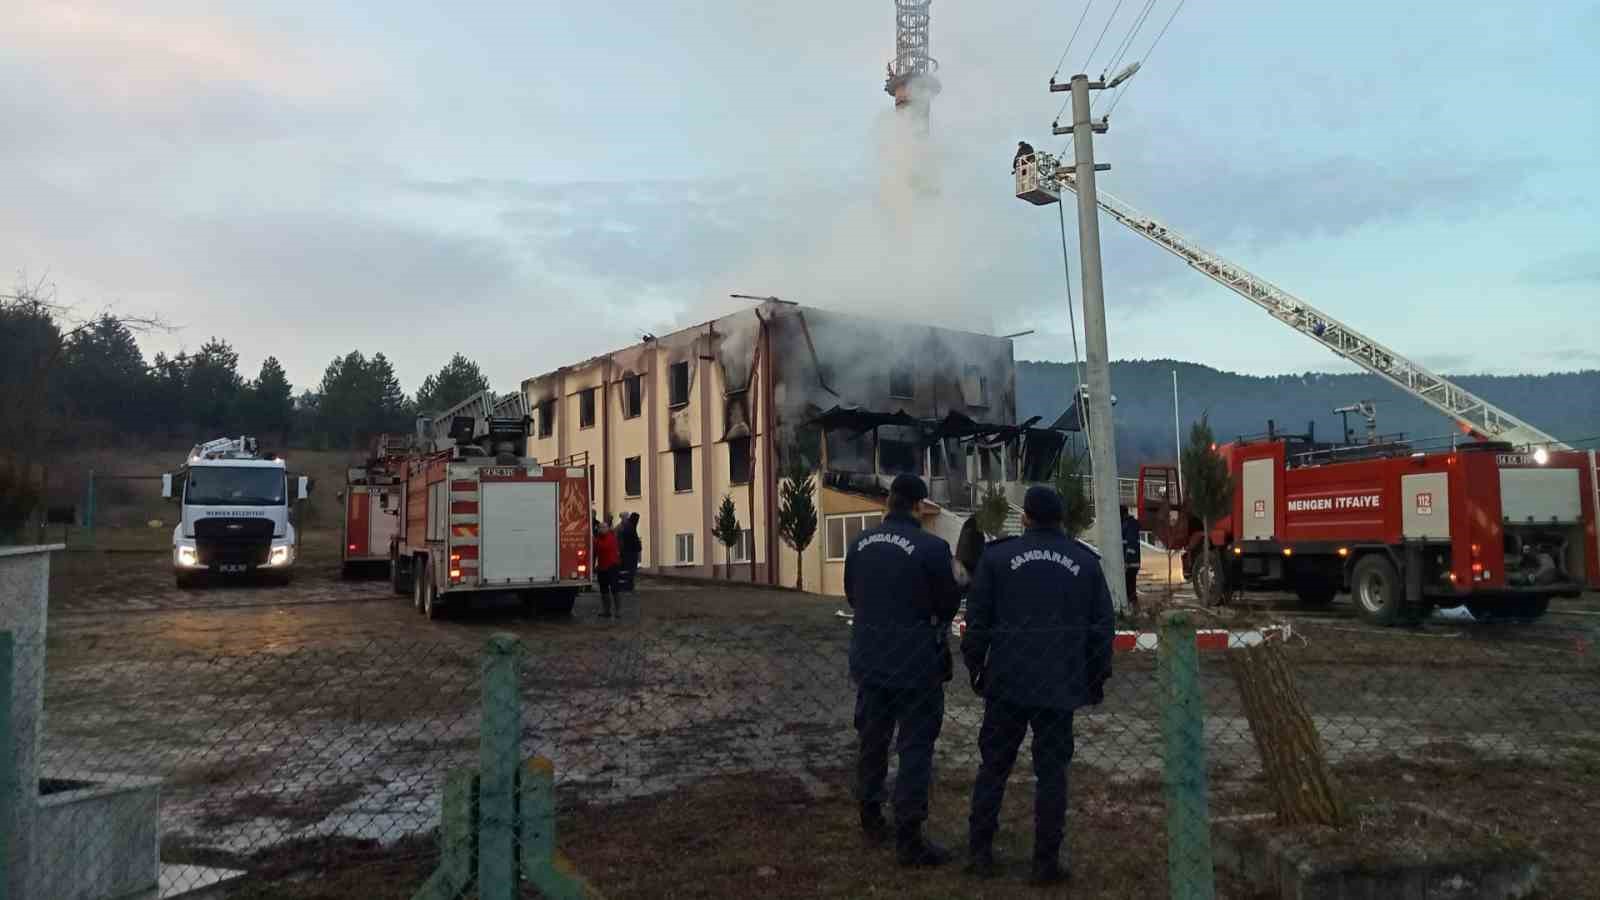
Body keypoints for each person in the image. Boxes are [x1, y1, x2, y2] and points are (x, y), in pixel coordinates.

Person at [961, 486, 1114, 885]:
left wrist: (976, 669)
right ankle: (1045, 862)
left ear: (1025, 517)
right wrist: (1095, 679)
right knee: (1052, 775)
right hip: (1059, 685)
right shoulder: (1084, 563)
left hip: (1008, 683)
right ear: (1061, 519)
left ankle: (979, 852)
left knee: (993, 767)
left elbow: (976, 623)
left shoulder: (997, 558)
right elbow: (1102, 630)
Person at [844, 474, 962, 867]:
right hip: (916, 663)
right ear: (917, 506)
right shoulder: (932, 547)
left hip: (870, 657)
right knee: (915, 745)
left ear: (890, 501)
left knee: (873, 738)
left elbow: (852, 594)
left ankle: (870, 814)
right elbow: (947, 605)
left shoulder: (860, 543)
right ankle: (909, 832)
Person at [594, 521, 621, 618]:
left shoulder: (611, 537)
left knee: (614, 589)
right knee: (604, 590)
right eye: (600, 527)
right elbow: (596, 551)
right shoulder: (598, 538)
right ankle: (607, 610)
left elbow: (604, 547)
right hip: (602, 567)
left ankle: (618, 611)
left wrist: (595, 541)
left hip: (612, 566)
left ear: (608, 528)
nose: (602, 529)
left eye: (604, 527)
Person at [1121, 505, 1142, 613]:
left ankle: (1134, 609)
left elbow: (1131, 544)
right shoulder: (1129, 523)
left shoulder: (1129, 524)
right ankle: (1133, 609)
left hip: (1130, 562)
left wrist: (1127, 561)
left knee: (1129, 586)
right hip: (1132, 562)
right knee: (1130, 586)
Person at [617, 512, 642, 595]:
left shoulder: (629, 526)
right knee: (629, 571)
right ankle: (627, 588)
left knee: (629, 571)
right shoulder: (628, 527)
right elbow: (630, 541)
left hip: (628, 552)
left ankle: (628, 587)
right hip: (629, 553)